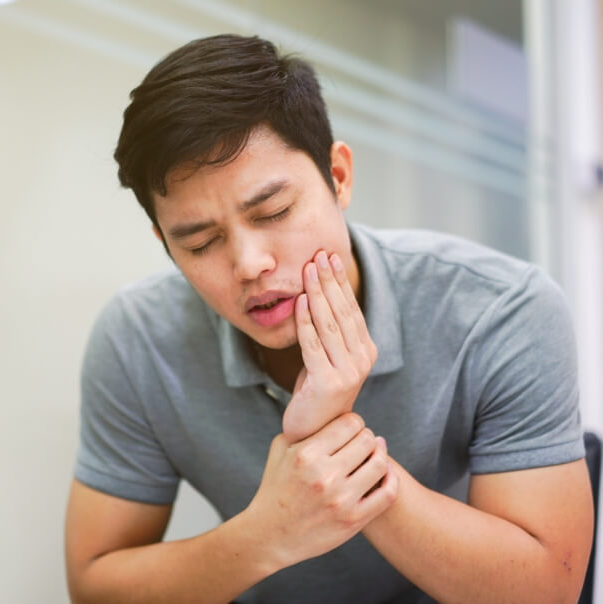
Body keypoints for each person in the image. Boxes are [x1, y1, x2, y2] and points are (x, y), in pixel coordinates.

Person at [64, 34, 593, 603]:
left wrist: (332, 442)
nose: (249, 265)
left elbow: (545, 591)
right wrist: (267, 533)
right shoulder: (137, 339)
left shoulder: (500, 310)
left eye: (274, 211)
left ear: (338, 177)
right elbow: (95, 585)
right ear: (164, 243)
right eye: (199, 243)